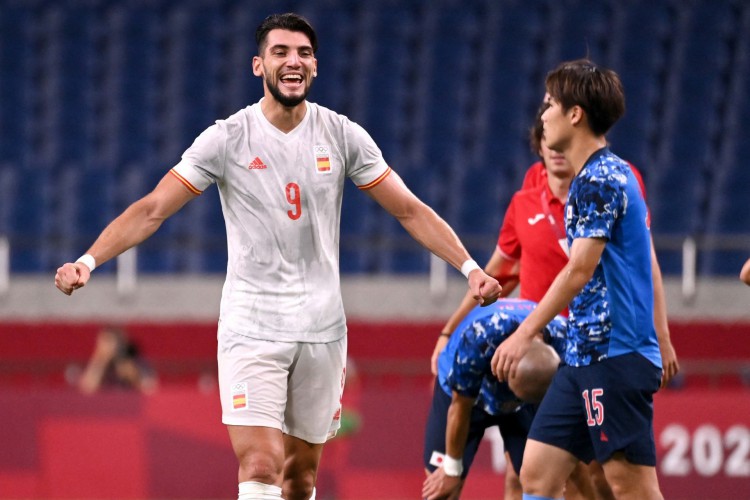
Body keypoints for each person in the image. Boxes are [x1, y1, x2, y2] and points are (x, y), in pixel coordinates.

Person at [53, 12, 501, 500]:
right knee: (261, 464)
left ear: (315, 66)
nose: (293, 61)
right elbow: (153, 209)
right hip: (252, 325)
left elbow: (411, 211)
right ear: (257, 65)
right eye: (281, 52)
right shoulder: (227, 138)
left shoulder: (342, 135)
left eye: (304, 53)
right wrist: (89, 260)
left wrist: (471, 268)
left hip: (322, 329)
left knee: (300, 476)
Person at [492, 59, 665, 499]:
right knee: (537, 473)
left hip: (616, 356)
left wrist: (524, 334)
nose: (542, 114)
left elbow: (579, 270)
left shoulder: (601, 179)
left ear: (575, 114)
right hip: (580, 357)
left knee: (630, 487)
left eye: (550, 104)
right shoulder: (592, 176)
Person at [422, 298, 566, 500]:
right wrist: (452, 468)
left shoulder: (567, 343)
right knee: (442, 489)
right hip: (467, 395)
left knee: (539, 481)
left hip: (529, 402)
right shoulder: (477, 340)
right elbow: (460, 406)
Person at [74, 325, 157, 394]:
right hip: (104, 407)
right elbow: (87, 389)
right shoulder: (97, 363)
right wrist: (101, 361)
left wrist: (133, 375)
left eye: (114, 342)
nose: (111, 347)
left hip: (130, 405)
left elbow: (150, 388)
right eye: (106, 342)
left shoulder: (136, 361)